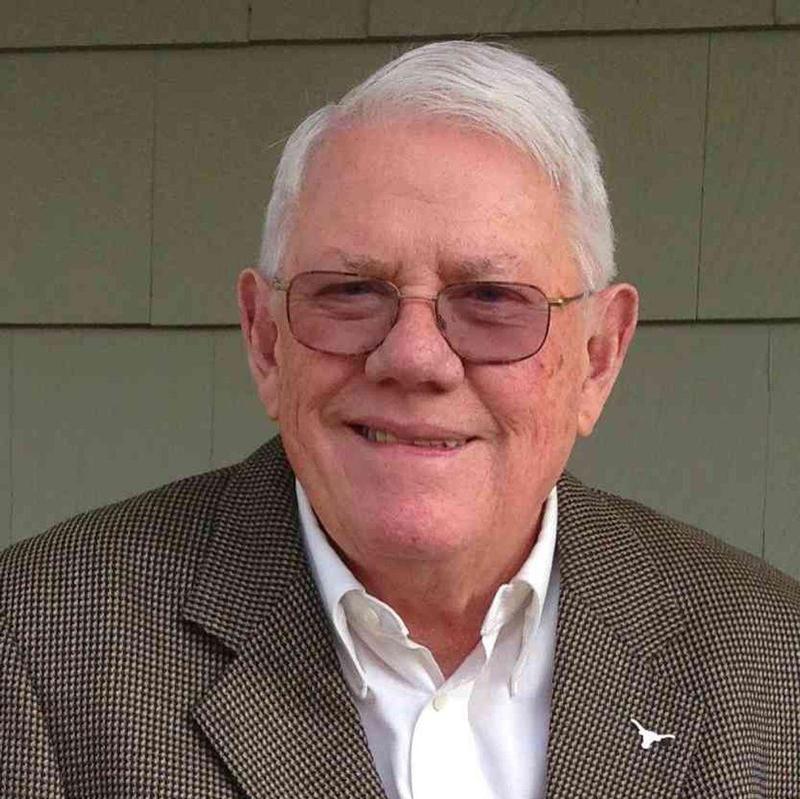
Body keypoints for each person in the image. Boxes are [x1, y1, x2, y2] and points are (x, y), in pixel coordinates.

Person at [1, 40, 798, 799]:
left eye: (492, 301)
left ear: (597, 357)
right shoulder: (41, 643)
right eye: (350, 292)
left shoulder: (770, 661)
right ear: (266, 340)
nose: (415, 357)